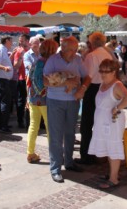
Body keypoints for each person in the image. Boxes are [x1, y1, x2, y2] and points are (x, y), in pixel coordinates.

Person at [44, 36, 86, 183]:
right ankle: (55, 168)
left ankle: (69, 162)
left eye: (75, 50)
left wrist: (82, 88)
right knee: (56, 136)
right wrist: (66, 81)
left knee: (70, 134)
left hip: (73, 101)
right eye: (70, 50)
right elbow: (44, 81)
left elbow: (87, 77)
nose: (73, 53)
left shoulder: (78, 59)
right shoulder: (53, 60)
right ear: (62, 48)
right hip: (55, 101)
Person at [88, 59, 127, 189]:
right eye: (101, 71)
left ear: (114, 72)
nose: (102, 74)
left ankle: (114, 179)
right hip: (103, 123)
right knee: (109, 148)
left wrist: (117, 108)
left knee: (113, 149)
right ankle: (112, 174)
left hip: (112, 123)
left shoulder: (117, 85)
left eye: (106, 71)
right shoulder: (103, 84)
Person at [76, 32, 111, 165]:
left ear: (92, 43)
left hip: (92, 90)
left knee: (86, 124)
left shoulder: (92, 56)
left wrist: (81, 91)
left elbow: (88, 77)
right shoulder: (108, 54)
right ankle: (100, 153)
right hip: (105, 89)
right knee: (101, 123)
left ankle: (87, 155)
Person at [27, 39, 57, 163]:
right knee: (50, 127)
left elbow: (29, 79)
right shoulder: (47, 62)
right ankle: (53, 154)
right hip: (45, 99)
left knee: (33, 126)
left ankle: (30, 153)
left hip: (33, 98)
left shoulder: (36, 61)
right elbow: (43, 82)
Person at [0, 36, 15, 133]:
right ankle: (2, 125)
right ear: (6, 41)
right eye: (11, 41)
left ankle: (2, 123)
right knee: (4, 102)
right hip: (1, 80)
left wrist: (12, 55)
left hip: (4, 79)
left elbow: (4, 61)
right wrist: (4, 68)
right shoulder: (0, 49)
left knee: (5, 102)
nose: (12, 43)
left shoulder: (4, 50)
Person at [14, 34, 32, 129]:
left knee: (31, 100)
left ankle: (30, 121)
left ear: (28, 41)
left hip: (31, 78)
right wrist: (21, 56)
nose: (20, 42)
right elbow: (16, 66)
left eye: (22, 40)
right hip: (22, 78)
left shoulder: (32, 50)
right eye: (20, 40)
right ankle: (20, 121)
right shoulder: (19, 51)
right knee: (21, 101)